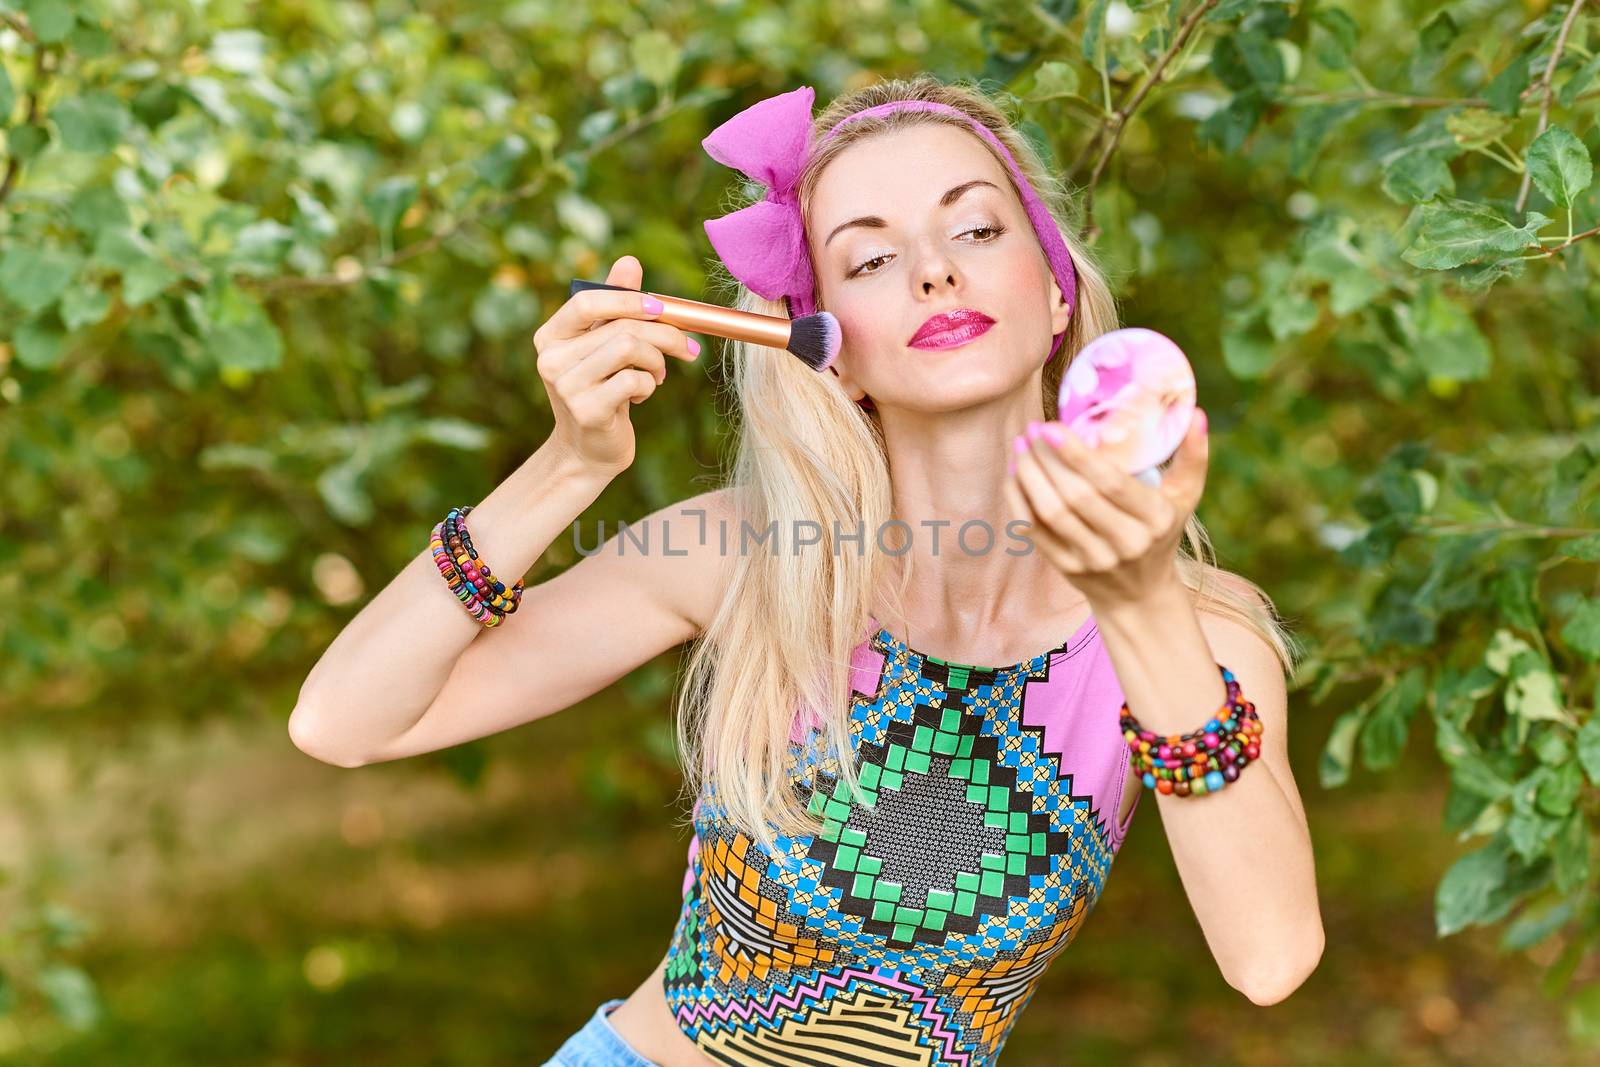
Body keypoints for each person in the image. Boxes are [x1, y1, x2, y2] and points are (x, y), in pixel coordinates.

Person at [288, 74, 1322, 1067]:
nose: (933, 272)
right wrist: (569, 464)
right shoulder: (744, 553)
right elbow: (344, 721)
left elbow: (1270, 960)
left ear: (1055, 293)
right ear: (827, 345)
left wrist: (1135, 602)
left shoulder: (1200, 635)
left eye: (973, 228)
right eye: (868, 260)